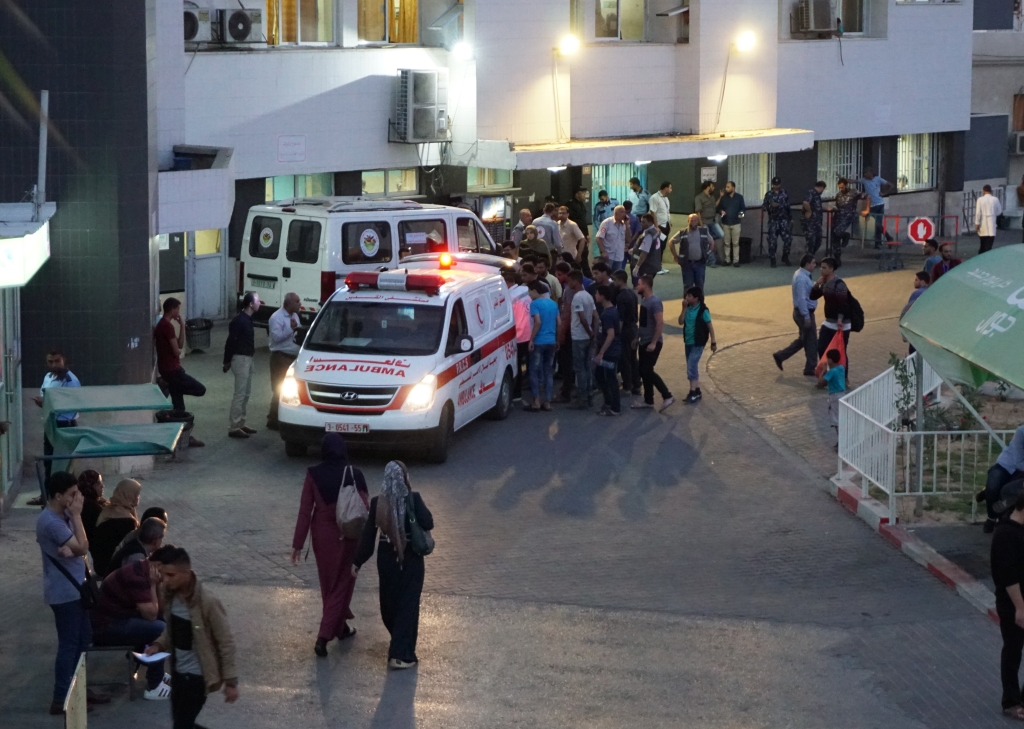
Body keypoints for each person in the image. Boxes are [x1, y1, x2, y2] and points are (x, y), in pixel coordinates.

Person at [292, 434, 369, 656]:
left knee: (329, 584)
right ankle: (323, 637)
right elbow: (364, 508)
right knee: (342, 584)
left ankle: (342, 628)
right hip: (348, 536)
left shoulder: (313, 474)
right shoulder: (355, 474)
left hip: (322, 536)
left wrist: (298, 544)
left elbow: (305, 511)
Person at [353, 461, 434, 670]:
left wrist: (357, 563)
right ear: (404, 478)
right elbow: (429, 522)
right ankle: (402, 653)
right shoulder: (413, 499)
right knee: (409, 604)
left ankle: (399, 646)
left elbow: (368, 537)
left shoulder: (378, 503)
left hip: (386, 558)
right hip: (412, 559)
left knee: (389, 602)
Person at [146, 547, 239, 728]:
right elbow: (172, 631)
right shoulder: (171, 596)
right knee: (181, 723)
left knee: (182, 724)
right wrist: (158, 645)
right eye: (164, 575)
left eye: (171, 575)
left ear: (186, 573)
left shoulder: (207, 602)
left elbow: (226, 642)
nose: (165, 580)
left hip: (196, 677)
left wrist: (231, 682)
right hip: (178, 673)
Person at [37, 472, 102, 716]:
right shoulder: (51, 521)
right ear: (58, 496)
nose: (78, 498)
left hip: (76, 588)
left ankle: (79, 688)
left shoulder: (60, 515)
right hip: (65, 593)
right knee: (69, 644)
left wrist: (75, 545)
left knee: (84, 639)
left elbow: (79, 547)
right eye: (73, 494)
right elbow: (84, 546)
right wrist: (76, 517)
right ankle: (62, 697)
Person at [93, 546, 174, 700]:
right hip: (105, 628)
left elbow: (159, 610)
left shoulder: (143, 569)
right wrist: (153, 584)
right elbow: (151, 615)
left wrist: (157, 584)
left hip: (118, 618)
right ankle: (154, 686)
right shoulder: (137, 577)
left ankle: (151, 666)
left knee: (162, 622)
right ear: (158, 566)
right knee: (159, 628)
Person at [990, 491, 1024, 720]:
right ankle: (1011, 701)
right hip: (1013, 602)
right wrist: (1020, 607)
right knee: (1013, 650)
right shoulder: (1005, 535)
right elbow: (1008, 576)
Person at [33, 350, 81, 483]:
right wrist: (41, 402)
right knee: (49, 461)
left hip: (65, 424)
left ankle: (66, 494)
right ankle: (48, 494)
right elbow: (44, 396)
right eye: (50, 362)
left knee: (64, 463)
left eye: (57, 361)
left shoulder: (70, 381)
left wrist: (47, 403)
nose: (54, 365)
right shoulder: (48, 377)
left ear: (64, 361)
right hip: (50, 423)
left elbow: (74, 404)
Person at [773, 254, 819, 377]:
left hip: (802, 312)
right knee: (812, 341)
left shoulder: (801, 275)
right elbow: (802, 299)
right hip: (804, 313)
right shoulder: (802, 279)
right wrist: (807, 317)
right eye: (813, 263)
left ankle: (781, 355)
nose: (815, 265)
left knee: (804, 339)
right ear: (807, 264)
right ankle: (810, 368)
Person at [633, 275, 673, 411]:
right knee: (644, 371)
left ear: (645, 285)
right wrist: (637, 338)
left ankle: (667, 395)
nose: (637, 286)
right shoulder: (645, 301)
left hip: (651, 342)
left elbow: (659, 323)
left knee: (646, 370)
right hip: (644, 341)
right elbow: (643, 323)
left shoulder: (655, 302)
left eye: (638, 284)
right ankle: (648, 400)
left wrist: (654, 342)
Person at [223, 292, 260, 439]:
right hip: (241, 359)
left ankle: (241, 423)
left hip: (247, 358)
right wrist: (227, 361)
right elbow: (231, 341)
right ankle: (234, 426)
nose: (259, 303)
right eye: (257, 301)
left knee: (245, 393)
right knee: (240, 394)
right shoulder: (240, 321)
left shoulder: (246, 319)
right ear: (250, 304)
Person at [810, 257, 852, 379]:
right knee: (822, 347)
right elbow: (812, 296)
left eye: (824, 268)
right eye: (821, 267)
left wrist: (840, 319)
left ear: (831, 269)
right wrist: (817, 283)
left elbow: (843, 303)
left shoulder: (839, 284)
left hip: (842, 323)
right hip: (829, 321)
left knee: (840, 351)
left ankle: (844, 377)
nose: (821, 270)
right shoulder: (824, 282)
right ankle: (827, 374)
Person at [980, 425, 1024, 533]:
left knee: (1013, 491)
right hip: (1007, 465)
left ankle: (1006, 514)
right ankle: (991, 517)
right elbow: (1018, 462)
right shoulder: (1021, 431)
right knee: (992, 487)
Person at [267, 292, 301, 430]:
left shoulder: (295, 316)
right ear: (288, 304)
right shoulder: (277, 318)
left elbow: (298, 333)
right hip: (281, 357)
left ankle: (285, 417)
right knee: (280, 388)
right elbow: (276, 338)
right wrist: (290, 330)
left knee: (293, 389)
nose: (300, 304)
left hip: (293, 357)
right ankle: (273, 419)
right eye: (297, 301)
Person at [678, 286, 717, 404]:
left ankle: (693, 392)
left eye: (689, 296)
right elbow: (680, 321)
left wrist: (713, 341)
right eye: (687, 295)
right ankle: (697, 389)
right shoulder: (688, 308)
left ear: (696, 298)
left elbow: (710, 326)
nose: (686, 298)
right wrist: (683, 309)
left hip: (698, 342)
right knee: (691, 366)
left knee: (691, 366)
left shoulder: (703, 311)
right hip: (688, 342)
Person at [567, 270, 597, 409]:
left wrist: (589, 332)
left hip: (579, 336)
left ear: (576, 280)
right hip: (587, 336)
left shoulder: (578, 297)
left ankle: (582, 399)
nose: (568, 284)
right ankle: (589, 395)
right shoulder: (589, 296)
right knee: (587, 367)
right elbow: (596, 316)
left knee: (579, 369)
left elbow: (582, 317)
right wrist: (593, 333)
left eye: (570, 281)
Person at [527, 281, 558, 412]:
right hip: (551, 340)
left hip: (539, 341)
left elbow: (537, 321)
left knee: (534, 370)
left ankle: (536, 400)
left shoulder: (535, 304)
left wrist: (531, 339)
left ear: (535, 291)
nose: (529, 294)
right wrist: (557, 338)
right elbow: (560, 322)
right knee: (548, 371)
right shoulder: (553, 304)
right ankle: (548, 401)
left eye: (530, 291)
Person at [592, 285, 622, 416]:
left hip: (610, 352)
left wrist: (601, 353)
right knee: (601, 375)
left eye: (597, 294)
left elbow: (611, 334)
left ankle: (615, 407)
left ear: (603, 296)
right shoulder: (611, 311)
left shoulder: (607, 314)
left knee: (610, 379)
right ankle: (608, 402)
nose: (595, 296)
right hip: (611, 350)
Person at [504, 269, 532, 402]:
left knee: (518, 365)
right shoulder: (524, 290)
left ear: (507, 282)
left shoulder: (510, 297)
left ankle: (517, 393)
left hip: (519, 336)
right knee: (531, 364)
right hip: (530, 333)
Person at [612, 270, 641, 396]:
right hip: (633, 328)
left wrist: (616, 334)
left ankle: (627, 386)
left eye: (614, 280)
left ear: (620, 280)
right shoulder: (632, 294)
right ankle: (636, 384)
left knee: (625, 359)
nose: (613, 283)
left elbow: (621, 319)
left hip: (625, 330)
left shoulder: (621, 297)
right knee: (633, 358)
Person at [669, 213, 713, 291]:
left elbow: (712, 242)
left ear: (698, 221)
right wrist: (675, 256)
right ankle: (687, 303)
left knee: (699, 287)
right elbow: (671, 242)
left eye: (695, 220)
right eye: (691, 220)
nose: (693, 222)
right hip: (687, 264)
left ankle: (700, 303)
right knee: (687, 287)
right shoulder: (682, 232)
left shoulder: (703, 231)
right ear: (688, 221)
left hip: (700, 264)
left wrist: (708, 253)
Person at [762, 177, 793, 267]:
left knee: (788, 239)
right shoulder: (768, 194)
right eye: (775, 184)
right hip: (773, 221)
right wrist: (771, 206)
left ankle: (785, 256)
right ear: (772, 184)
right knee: (772, 241)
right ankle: (772, 259)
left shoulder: (784, 193)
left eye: (778, 184)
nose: (777, 186)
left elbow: (788, 206)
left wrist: (791, 218)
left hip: (783, 220)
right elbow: (764, 207)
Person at [818, 348, 846, 448]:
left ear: (830, 360)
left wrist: (824, 370)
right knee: (840, 417)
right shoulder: (841, 368)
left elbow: (821, 382)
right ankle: (841, 440)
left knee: (836, 420)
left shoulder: (831, 372)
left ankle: (841, 440)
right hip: (842, 394)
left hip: (834, 396)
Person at [858, 167, 891, 248]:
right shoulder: (864, 180)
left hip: (879, 204)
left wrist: (884, 193)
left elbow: (890, 185)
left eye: (866, 173)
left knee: (878, 224)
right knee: (877, 224)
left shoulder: (878, 179)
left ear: (871, 173)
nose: (865, 174)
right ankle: (884, 239)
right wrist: (842, 178)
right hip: (872, 205)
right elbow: (853, 181)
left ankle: (883, 240)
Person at [830, 178, 861, 261]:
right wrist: (834, 208)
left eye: (842, 187)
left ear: (847, 185)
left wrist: (867, 209)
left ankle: (846, 235)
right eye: (839, 187)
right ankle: (837, 258)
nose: (841, 189)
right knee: (834, 236)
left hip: (848, 216)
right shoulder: (838, 195)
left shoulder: (854, 192)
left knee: (837, 231)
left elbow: (867, 196)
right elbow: (837, 204)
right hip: (838, 216)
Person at [716, 181, 746, 267]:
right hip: (725, 222)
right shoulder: (724, 198)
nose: (726, 189)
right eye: (726, 187)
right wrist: (721, 212)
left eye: (728, 187)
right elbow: (718, 209)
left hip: (736, 223)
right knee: (726, 243)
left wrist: (741, 215)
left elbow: (743, 209)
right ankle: (727, 260)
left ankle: (736, 261)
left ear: (733, 188)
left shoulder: (739, 197)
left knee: (736, 243)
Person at [694, 180, 722, 266]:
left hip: (713, 221)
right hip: (705, 222)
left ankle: (708, 258)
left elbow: (714, 205)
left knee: (720, 234)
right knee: (708, 242)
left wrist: (720, 197)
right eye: (712, 186)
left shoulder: (712, 197)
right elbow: (698, 211)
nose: (713, 188)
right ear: (707, 187)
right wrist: (701, 224)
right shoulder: (699, 198)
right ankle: (711, 261)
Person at [566, 188, 593, 277]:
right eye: (582, 193)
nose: (584, 195)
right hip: (575, 235)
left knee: (584, 256)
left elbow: (583, 220)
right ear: (577, 194)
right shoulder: (571, 205)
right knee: (578, 256)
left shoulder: (581, 204)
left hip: (582, 233)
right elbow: (578, 221)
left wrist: (586, 234)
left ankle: (587, 277)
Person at [76, 470, 106, 544]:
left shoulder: (95, 501)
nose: (102, 486)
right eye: (98, 483)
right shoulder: (91, 507)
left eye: (101, 482)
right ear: (89, 485)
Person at [596, 205, 629, 272]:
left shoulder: (624, 225)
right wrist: (603, 251)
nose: (624, 214)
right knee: (607, 275)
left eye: (624, 212)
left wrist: (627, 226)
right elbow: (598, 238)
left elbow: (628, 239)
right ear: (616, 213)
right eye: (621, 212)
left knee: (616, 277)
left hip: (619, 256)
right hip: (608, 256)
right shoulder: (607, 223)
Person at [634, 213, 664, 281]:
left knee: (644, 286)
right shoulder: (656, 231)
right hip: (654, 265)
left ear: (650, 222)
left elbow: (644, 252)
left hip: (647, 266)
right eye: (641, 221)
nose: (641, 223)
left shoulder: (649, 235)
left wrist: (637, 267)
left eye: (644, 222)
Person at [976, 184, 1003, 254]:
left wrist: (977, 223)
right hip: (992, 222)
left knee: (982, 243)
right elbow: (999, 211)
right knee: (989, 243)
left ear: (983, 191)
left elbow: (978, 213)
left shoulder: (980, 200)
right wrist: (993, 214)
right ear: (991, 191)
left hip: (983, 224)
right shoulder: (995, 199)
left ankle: (981, 255)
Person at [802, 181, 827, 256]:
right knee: (811, 240)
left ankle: (811, 256)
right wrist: (809, 211)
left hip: (817, 222)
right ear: (821, 187)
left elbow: (817, 206)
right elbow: (805, 202)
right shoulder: (811, 192)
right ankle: (808, 258)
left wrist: (827, 208)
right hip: (811, 222)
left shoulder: (817, 195)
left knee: (818, 240)